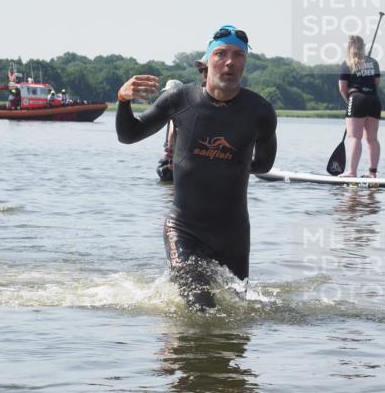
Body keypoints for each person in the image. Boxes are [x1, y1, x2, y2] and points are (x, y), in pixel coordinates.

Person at [116, 25, 278, 309]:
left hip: (234, 234)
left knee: (235, 313)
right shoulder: (180, 100)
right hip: (184, 228)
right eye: (220, 54)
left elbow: (264, 164)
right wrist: (123, 102)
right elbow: (129, 135)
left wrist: (226, 159)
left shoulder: (260, 112)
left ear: (245, 63)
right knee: (202, 305)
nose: (229, 61)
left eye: (238, 55)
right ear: (206, 62)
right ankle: (177, 349)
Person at [338, 34, 381, 178]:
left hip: (357, 98)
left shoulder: (347, 63)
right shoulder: (373, 62)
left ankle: (351, 172)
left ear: (349, 47)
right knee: (372, 138)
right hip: (374, 100)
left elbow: (342, 88)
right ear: (363, 47)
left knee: (354, 137)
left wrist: (349, 101)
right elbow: (376, 83)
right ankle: (372, 173)